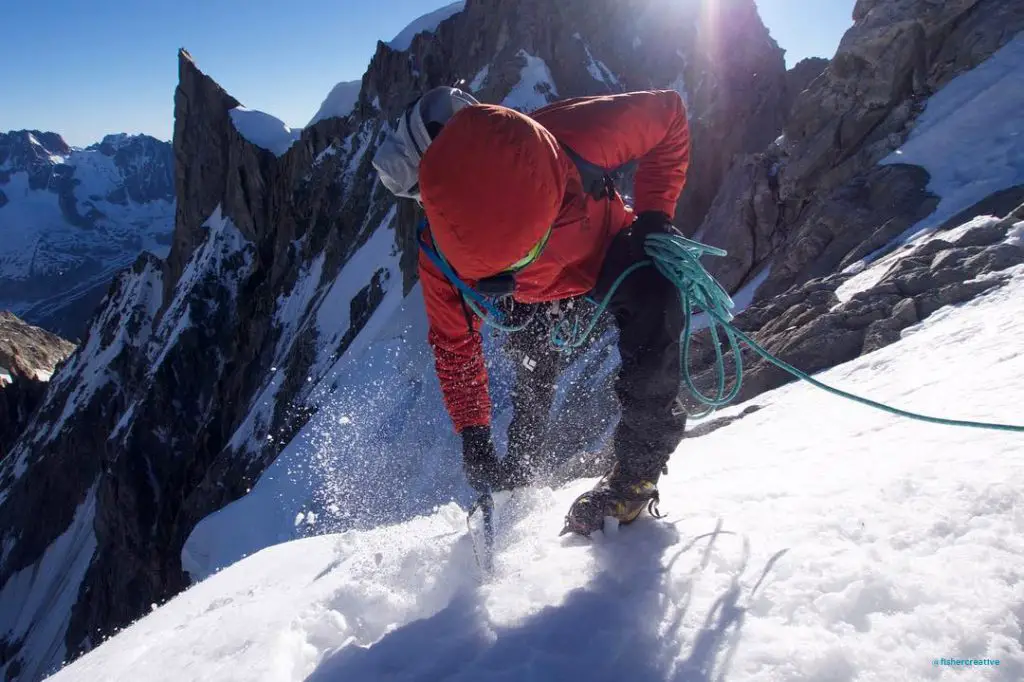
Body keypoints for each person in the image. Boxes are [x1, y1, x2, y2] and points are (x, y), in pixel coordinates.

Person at [372, 86, 691, 535]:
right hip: (546, 287)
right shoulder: (444, 246)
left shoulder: (567, 136)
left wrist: (655, 218)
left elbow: (669, 115)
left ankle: (635, 474)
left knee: (654, 310)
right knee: (536, 370)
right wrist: (474, 433)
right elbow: (455, 345)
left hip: (608, 254)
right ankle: (523, 473)